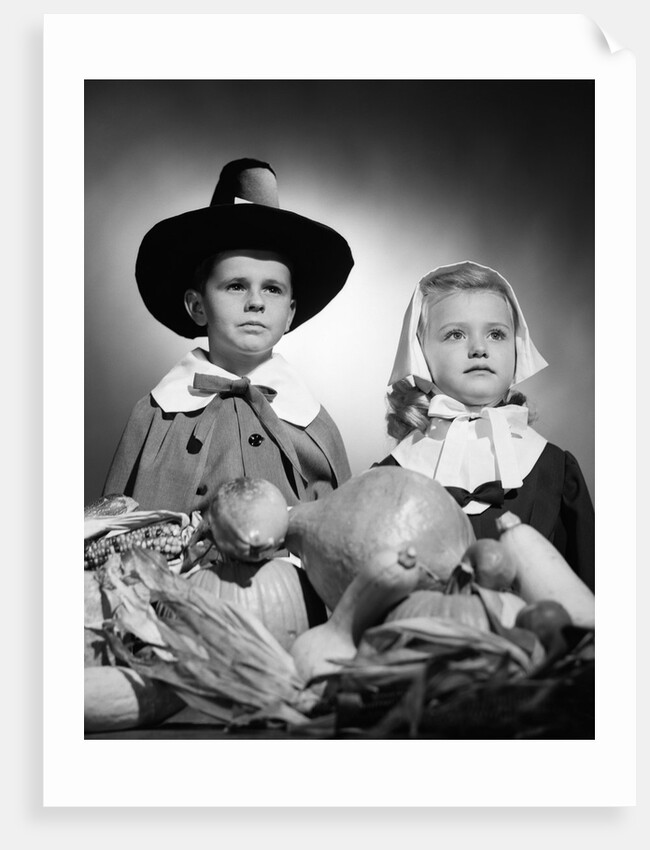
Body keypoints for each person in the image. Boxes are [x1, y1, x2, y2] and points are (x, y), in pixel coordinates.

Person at [103, 158, 354, 513]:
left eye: (272, 289)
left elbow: (342, 531)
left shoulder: (312, 421)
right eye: (236, 286)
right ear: (197, 305)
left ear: (291, 314)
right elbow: (111, 530)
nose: (255, 302)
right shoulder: (154, 414)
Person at [374, 260, 594, 591]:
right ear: (419, 353)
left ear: (517, 348)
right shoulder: (390, 478)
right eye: (455, 334)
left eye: (496, 334)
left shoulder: (556, 470)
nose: (479, 348)